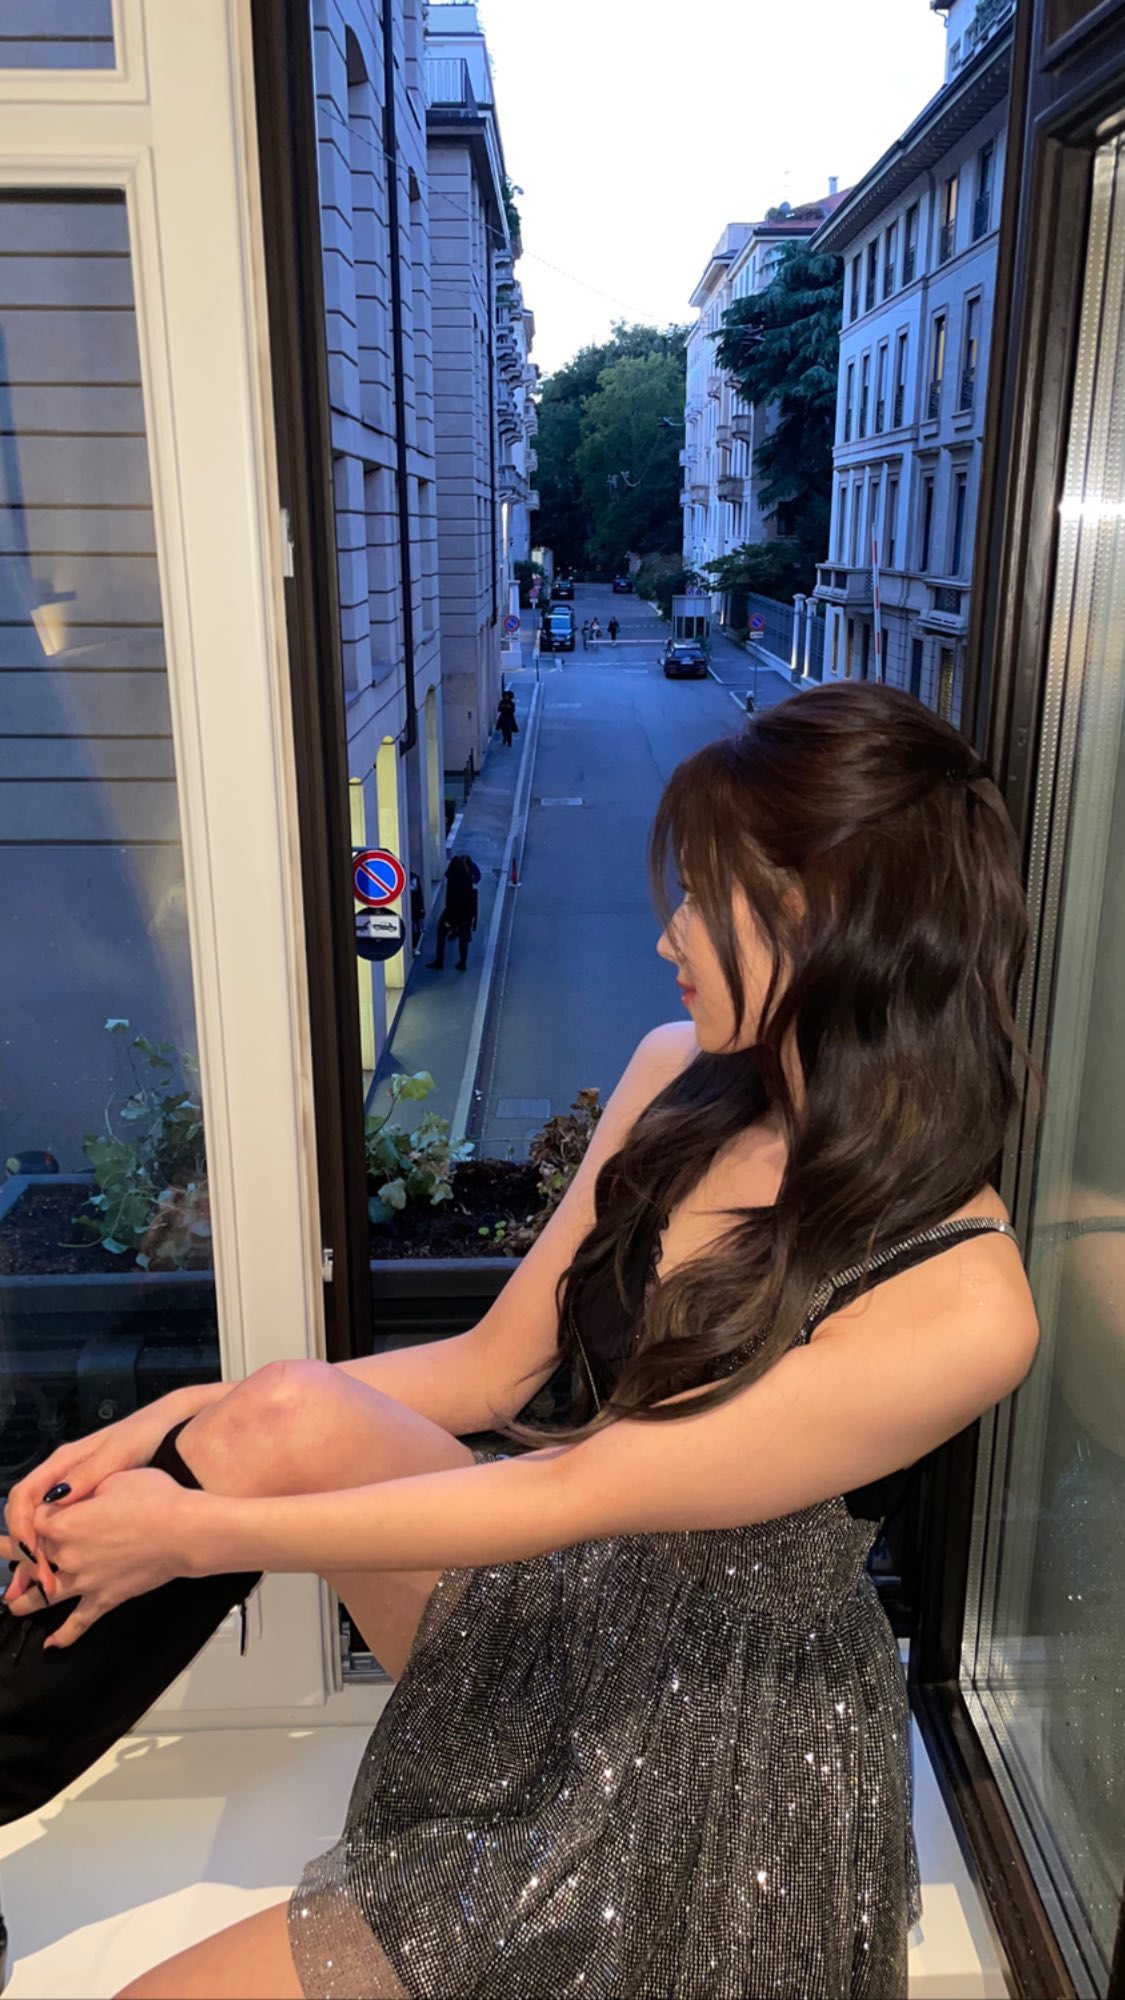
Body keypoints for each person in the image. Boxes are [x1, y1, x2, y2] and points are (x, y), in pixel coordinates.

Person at [4, 683, 1040, 2000]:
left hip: (707, 1754)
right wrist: (166, 1420)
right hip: (567, 1607)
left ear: (822, 913)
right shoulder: (680, 1074)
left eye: (700, 894)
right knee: (274, 1409)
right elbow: (492, 1370)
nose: (666, 933)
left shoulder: (966, 1299)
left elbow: (575, 1486)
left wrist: (193, 1534)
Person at [425, 853, 478, 971]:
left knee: (441, 932)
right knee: (463, 941)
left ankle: (439, 961)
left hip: (453, 914)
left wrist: (449, 921)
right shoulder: (467, 878)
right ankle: (463, 962)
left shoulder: (453, 880)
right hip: (466, 915)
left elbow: (451, 902)